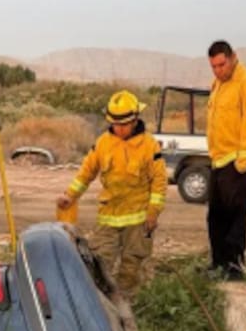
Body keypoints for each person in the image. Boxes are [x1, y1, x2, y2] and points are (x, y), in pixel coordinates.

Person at [56, 90, 166, 296]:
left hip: (139, 219)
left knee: (132, 268)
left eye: (124, 124)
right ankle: (102, 306)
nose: (119, 128)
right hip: (109, 217)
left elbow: (159, 181)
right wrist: (70, 195)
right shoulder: (103, 143)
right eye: (115, 124)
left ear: (135, 120)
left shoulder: (149, 145)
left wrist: (153, 212)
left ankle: (127, 307)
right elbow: (85, 174)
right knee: (99, 263)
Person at [204, 40, 246, 281]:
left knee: (235, 216)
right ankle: (218, 263)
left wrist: (244, 160)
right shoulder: (217, 84)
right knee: (216, 215)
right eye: (214, 67)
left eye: (222, 64)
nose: (219, 70)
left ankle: (235, 267)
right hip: (219, 160)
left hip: (238, 161)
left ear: (233, 58)